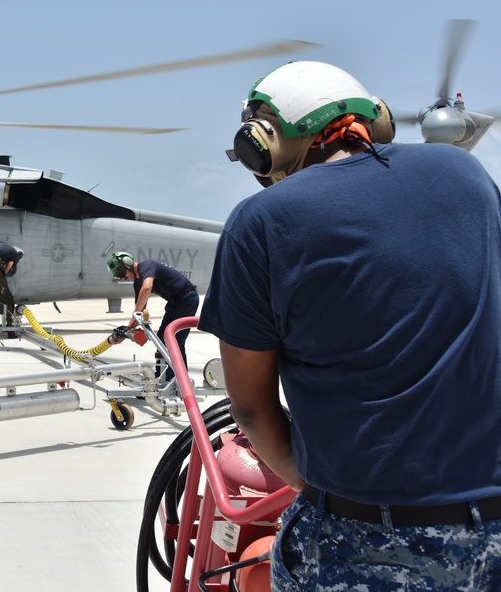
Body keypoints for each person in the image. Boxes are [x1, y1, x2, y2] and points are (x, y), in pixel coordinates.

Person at [198, 60, 501, 590]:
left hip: (366, 539)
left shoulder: (260, 221)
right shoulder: (466, 174)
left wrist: (318, 488)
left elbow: (249, 406)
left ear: (264, 140)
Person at [106, 252, 198, 372]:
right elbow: (139, 312)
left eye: (121, 273)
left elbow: (147, 287)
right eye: (118, 277)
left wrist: (133, 319)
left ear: (128, 264)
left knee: (170, 340)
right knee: (168, 340)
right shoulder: (138, 283)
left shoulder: (147, 266)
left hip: (187, 297)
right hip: (175, 302)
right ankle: (176, 378)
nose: (122, 278)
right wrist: (126, 333)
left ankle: (171, 379)